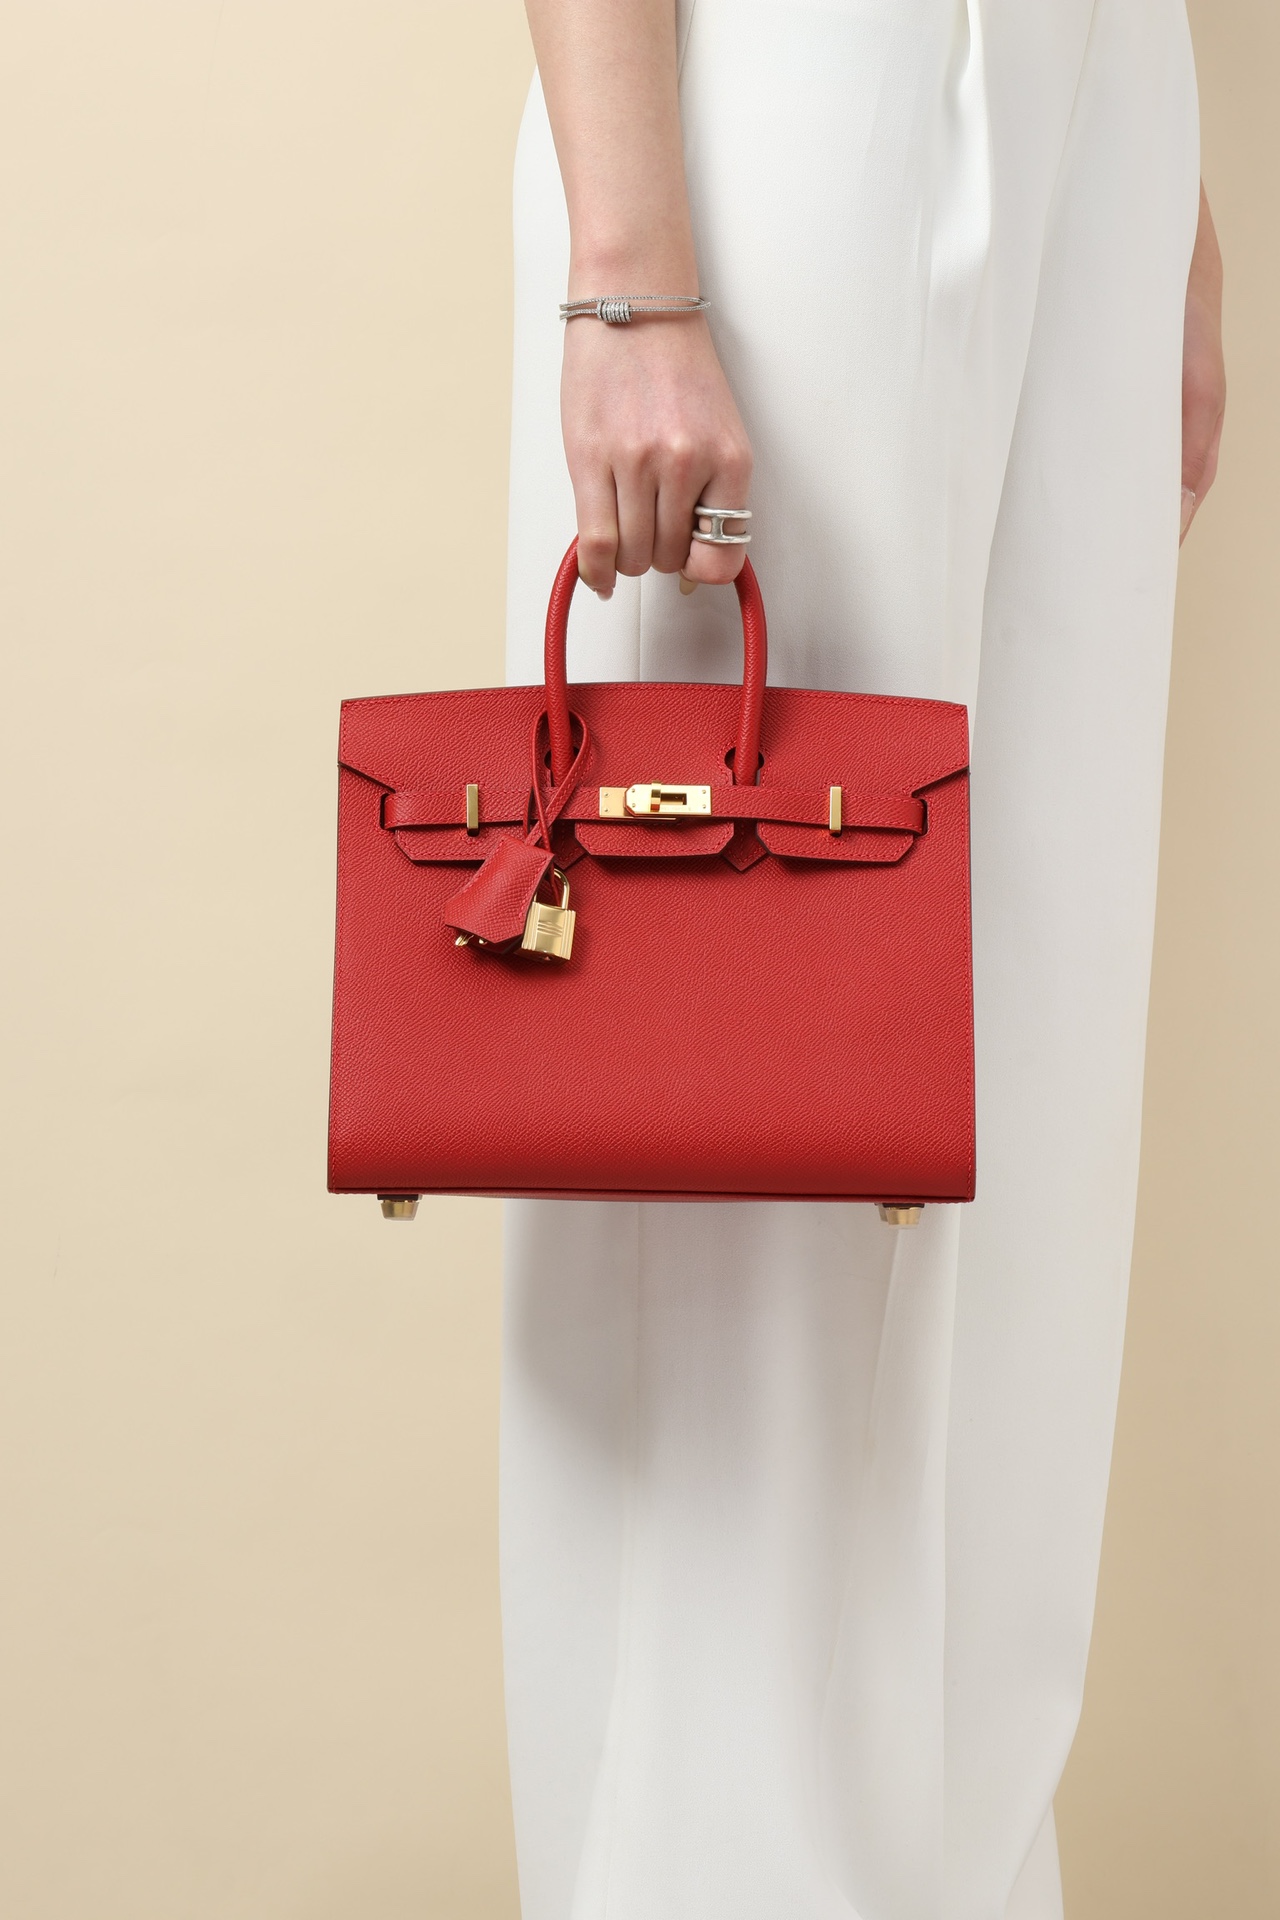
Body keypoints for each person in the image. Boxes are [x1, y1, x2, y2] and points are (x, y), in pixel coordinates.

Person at [498, 3, 1225, 1917]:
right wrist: (628, 274)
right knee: (758, 1126)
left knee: (1024, 1102)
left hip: (1103, 83)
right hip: (794, 69)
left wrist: (1155, 178)